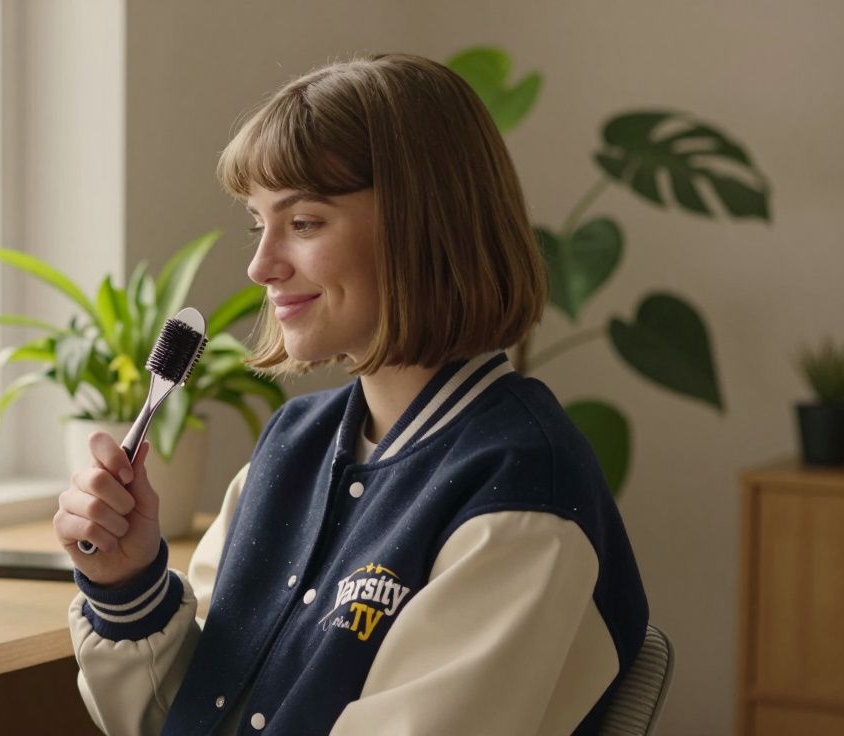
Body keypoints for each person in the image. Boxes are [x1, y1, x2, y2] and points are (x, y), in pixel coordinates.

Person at [53, 53, 649, 736]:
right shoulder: (290, 448)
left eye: (304, 223)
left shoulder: (521, 491)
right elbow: (182, 717)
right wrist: (128, 586)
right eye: (258, 223)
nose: (260, 264)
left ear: (424, 227)